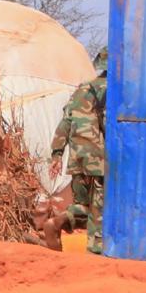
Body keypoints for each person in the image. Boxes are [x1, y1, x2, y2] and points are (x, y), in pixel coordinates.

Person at [56, 51, 107, 255]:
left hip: (77, 157)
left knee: (81, 204)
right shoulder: (109, 90)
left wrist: (56, 153)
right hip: (97, 157)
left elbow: (65, 123)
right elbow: (108, 124)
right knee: (98, 206)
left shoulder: (80, 90)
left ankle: (58, 221)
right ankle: (95, 249)